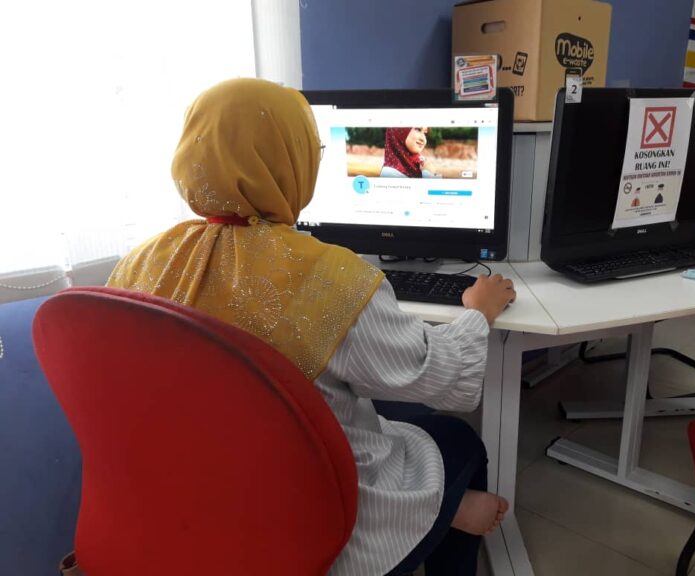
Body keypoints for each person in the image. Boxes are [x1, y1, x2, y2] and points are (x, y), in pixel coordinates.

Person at [107, 78, 516, 576]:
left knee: (375, 404)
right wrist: (478, 312)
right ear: (293, 160)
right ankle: (446, 510)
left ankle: (448, 509)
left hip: (193, 500)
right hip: (312, 515)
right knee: (457, 437)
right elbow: (440, 376)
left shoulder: (138, 265)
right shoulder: (333, 278)